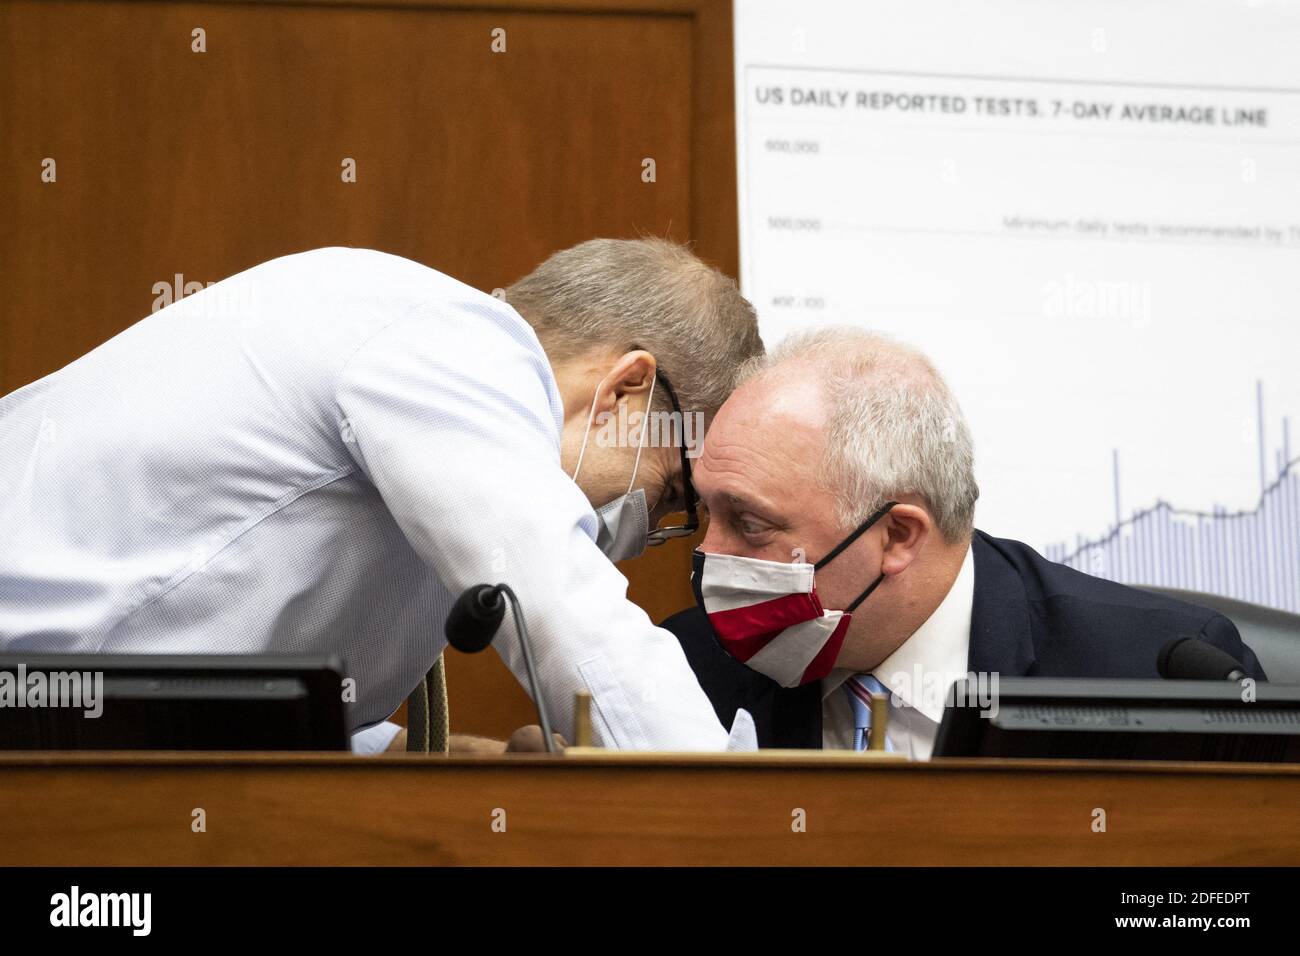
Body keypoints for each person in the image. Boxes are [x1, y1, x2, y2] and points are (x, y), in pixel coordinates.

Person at [0, 239, 764, 753]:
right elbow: (566, 606)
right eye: (669, 496)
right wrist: (732, 814)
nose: (639, 535)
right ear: (626, 389)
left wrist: (410, 754)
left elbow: (212, 650)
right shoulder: (457, 344)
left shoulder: (423, 377)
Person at [663, 327, 1265, 756]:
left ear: (897, 536)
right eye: (706, 512)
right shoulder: (683, 668)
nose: (712, 554)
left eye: (750, 524)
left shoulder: (1154, 676)